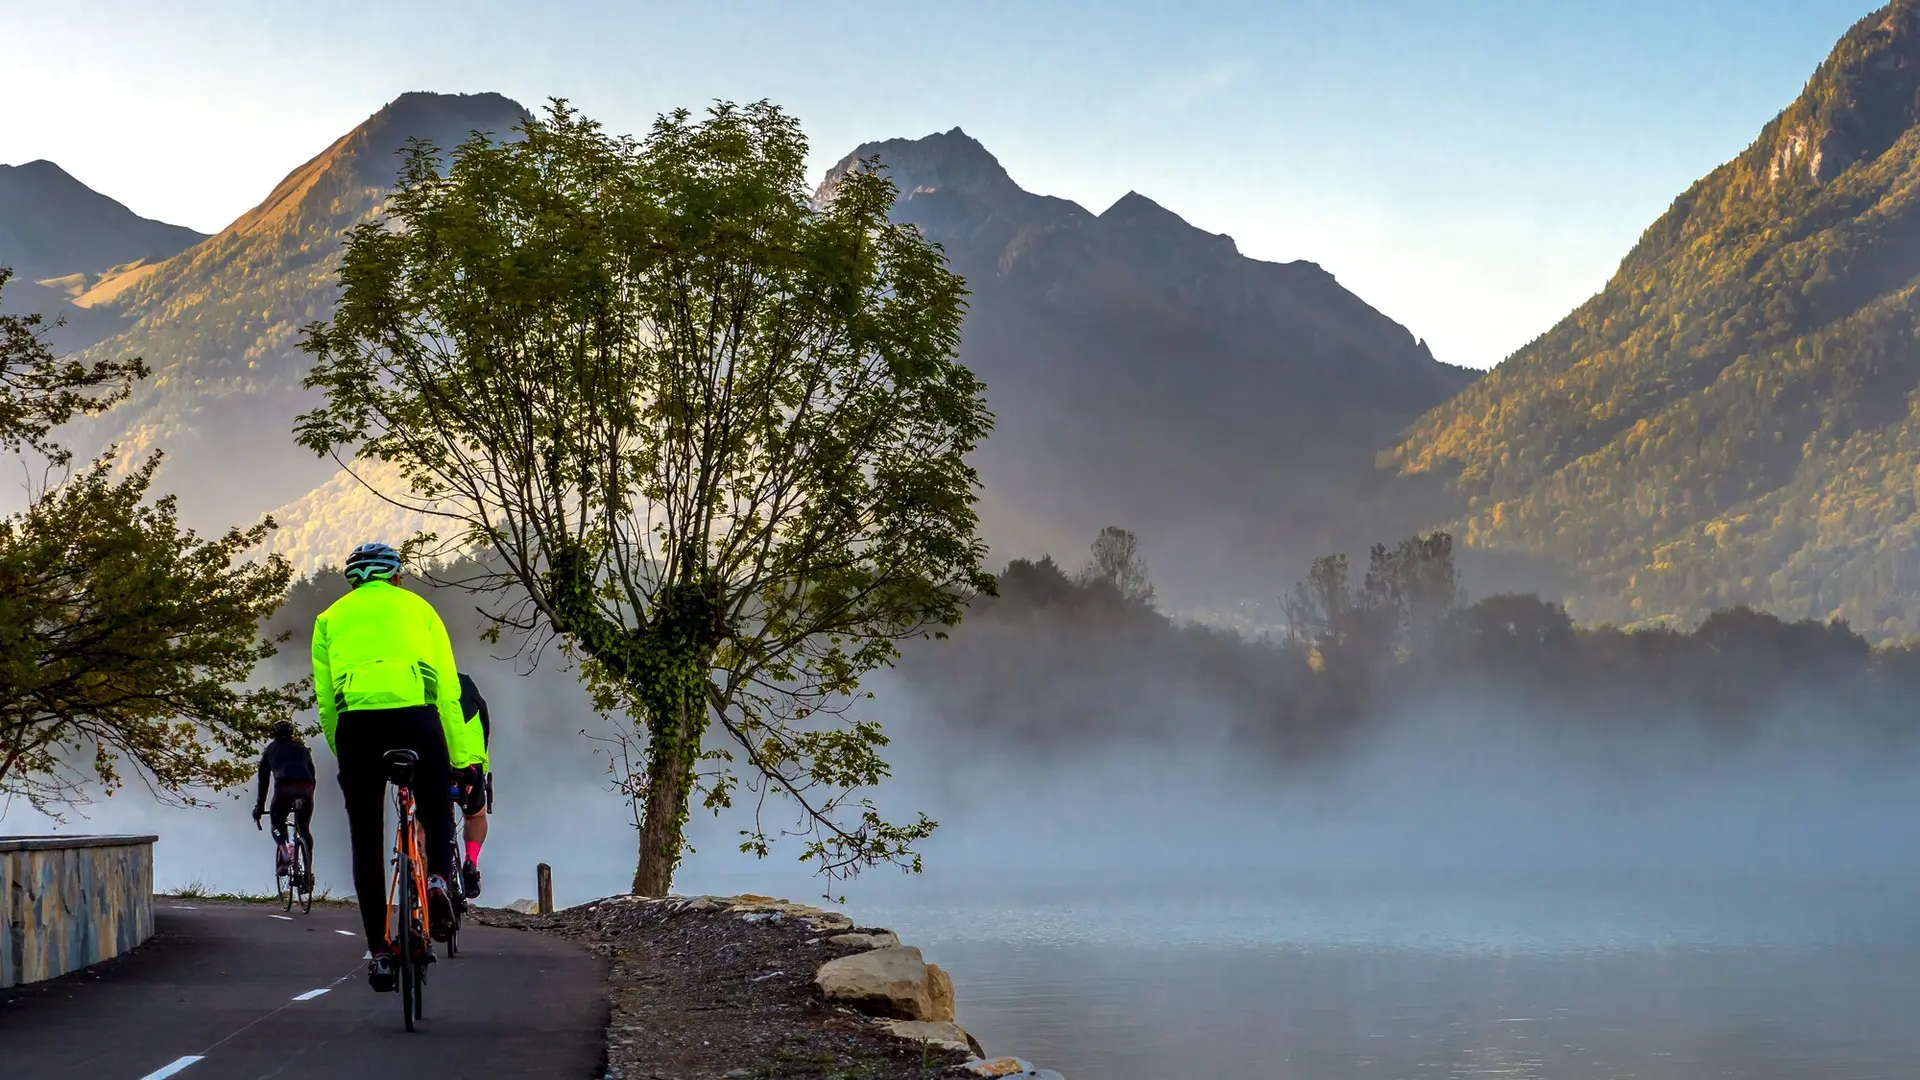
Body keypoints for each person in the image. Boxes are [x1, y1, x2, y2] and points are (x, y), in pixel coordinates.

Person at [313, 542, 489, 992]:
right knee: (436, 811)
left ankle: (379, 953)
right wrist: (463, 760)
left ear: (353, 580)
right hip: (417, 718)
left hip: (358, 729)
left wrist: (345, 755)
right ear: (396, 576)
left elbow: (327, 704)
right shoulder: (422, 610)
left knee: (366, 840)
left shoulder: (328, 619)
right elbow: (448, 692)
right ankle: (436, 879)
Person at [252, 719, 317, 889]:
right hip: (306, 788)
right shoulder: (302, 749)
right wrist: (308, 795)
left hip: (284, 789)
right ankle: (308, 873)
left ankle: (284, 851)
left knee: (276, 822)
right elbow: (312, 773)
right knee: (304, 828)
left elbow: (263, 781)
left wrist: (260, 806)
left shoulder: (270, 751)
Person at [454, 672, 492, 898]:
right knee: (475, 817)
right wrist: (482, 770)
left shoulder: (422, 688)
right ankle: (471, 861)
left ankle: (429, 884)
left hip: (433, 760)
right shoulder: (469, 686)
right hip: (471, 763)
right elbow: (484, 730)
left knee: (423, 825)